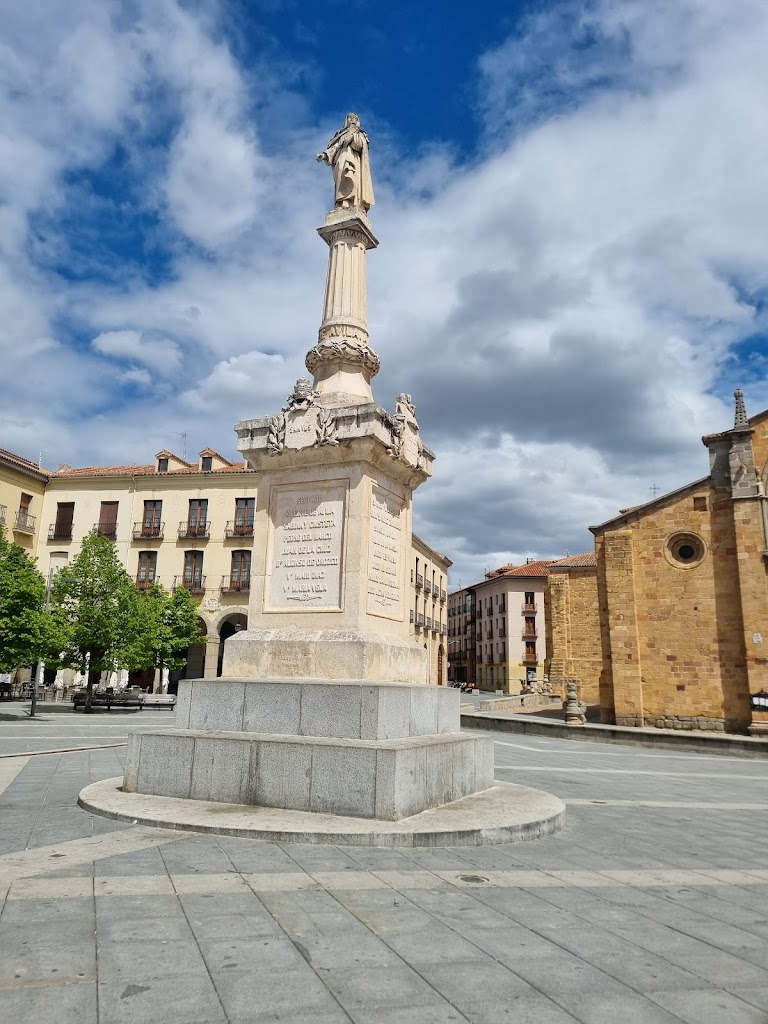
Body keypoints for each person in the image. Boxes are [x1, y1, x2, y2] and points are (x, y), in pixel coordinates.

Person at [317, 113, 375, 212]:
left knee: (354, 179)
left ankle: (354, 203)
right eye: (350, 118)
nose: (352, 120)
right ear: (346, 120)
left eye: (355, 118)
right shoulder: (340, 134)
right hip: (342, 157)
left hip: (354, 158)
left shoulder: (360, 133)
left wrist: (352, 139)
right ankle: (341, 203)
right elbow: (334, 148)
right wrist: (325, 155)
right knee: (341, 179)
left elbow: (362, 146)